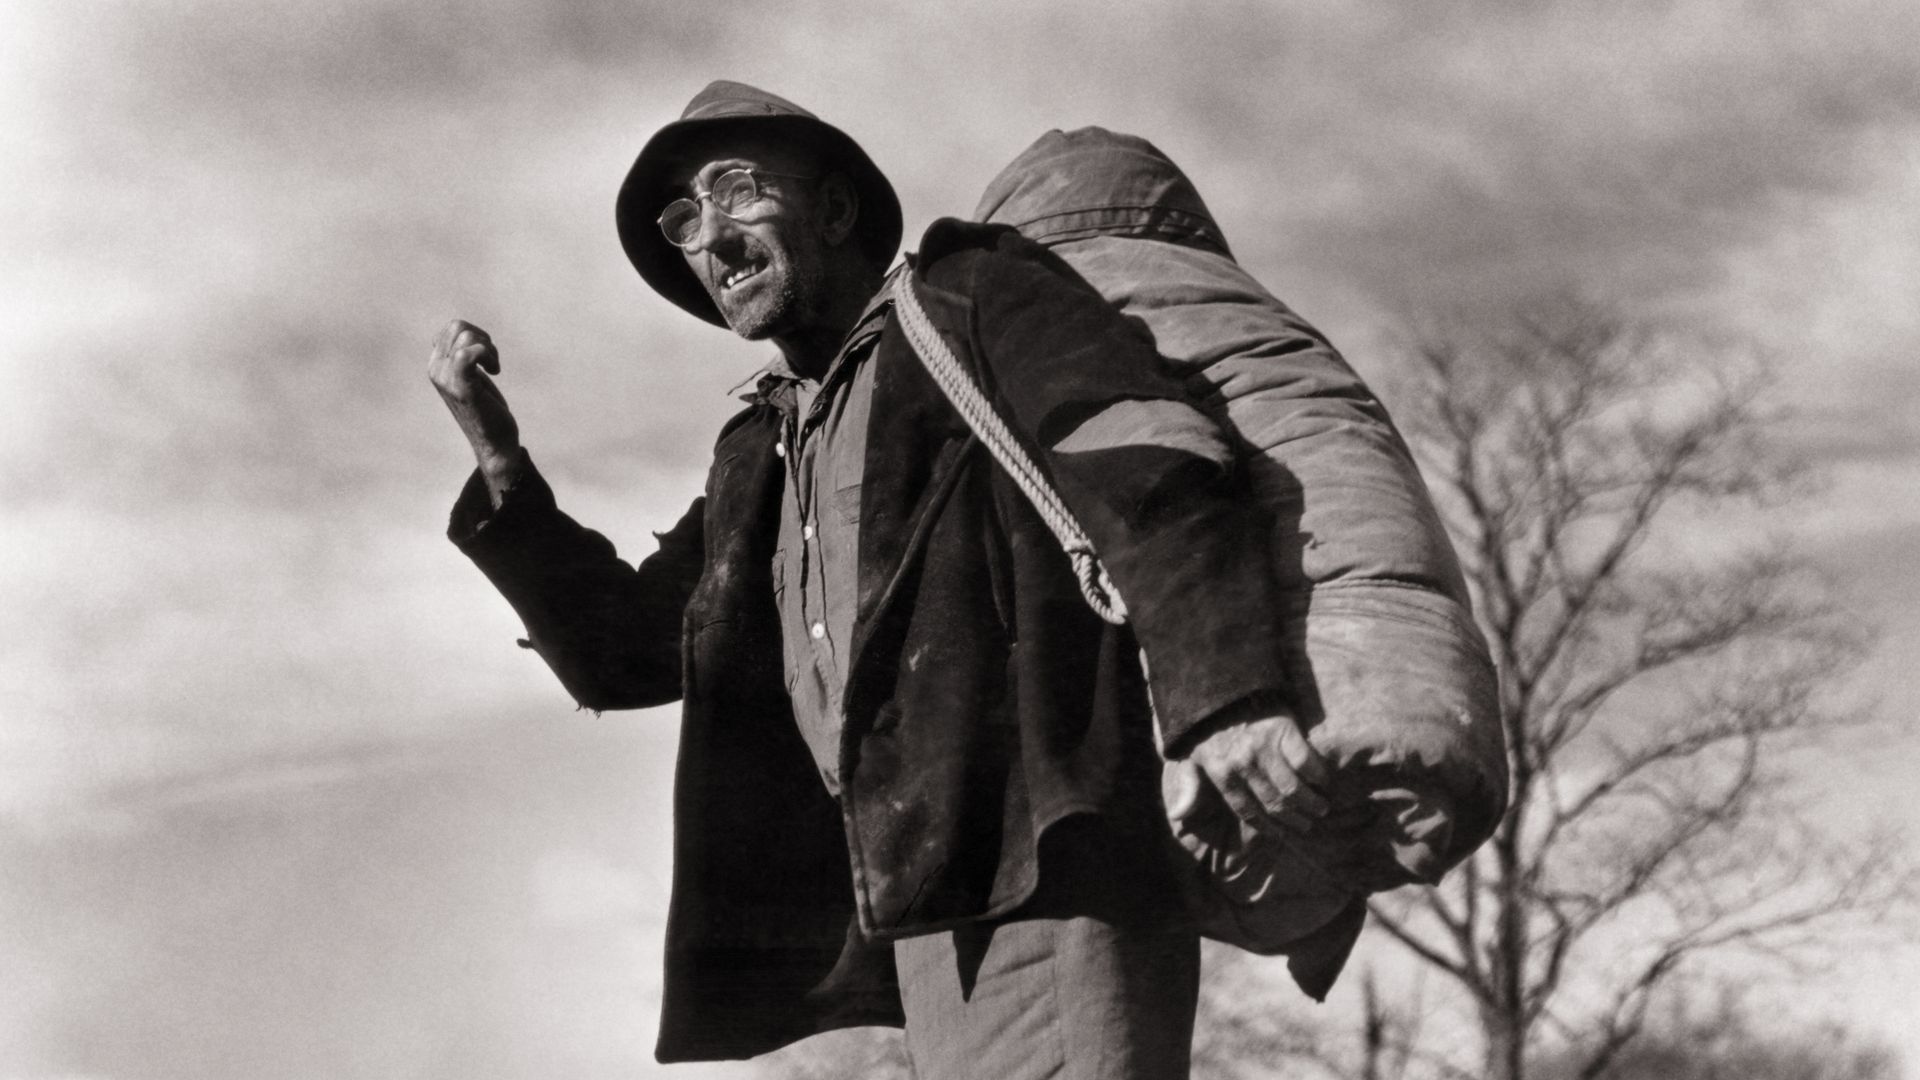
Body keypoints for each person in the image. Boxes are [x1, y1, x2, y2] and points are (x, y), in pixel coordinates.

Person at [428, 81, 1332, 1079]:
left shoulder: (966, 304)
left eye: (736, 190)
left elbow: (1143, 458)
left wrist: (1224, 701)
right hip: (930, 902)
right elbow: (625, 652)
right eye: (684, 219)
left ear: (836, 208)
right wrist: (501, 461)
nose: (712, 237)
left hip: (1054, 850)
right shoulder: (758, 448)